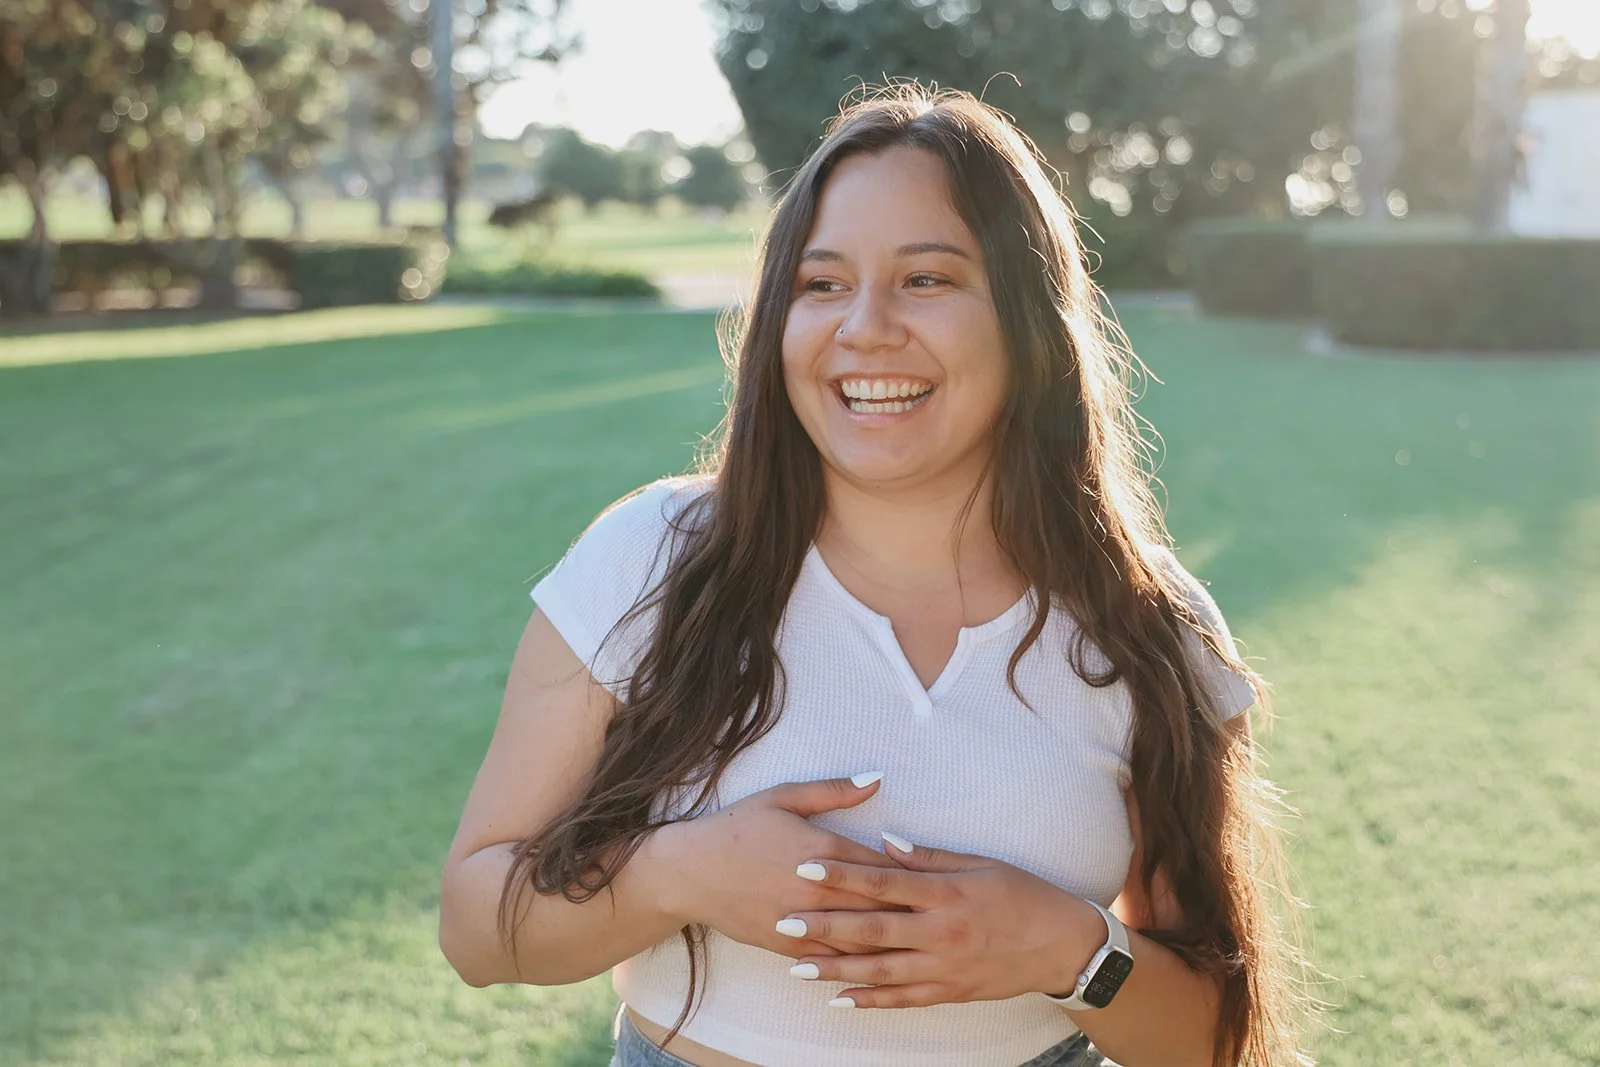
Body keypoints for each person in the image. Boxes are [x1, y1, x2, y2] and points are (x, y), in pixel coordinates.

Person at [439, 86, 1312, 1067]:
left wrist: (1065, 946)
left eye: (926, 279)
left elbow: (1213, 1038)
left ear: (1027, 323)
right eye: (820, 284)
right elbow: (477, 927)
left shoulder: (1152, 626)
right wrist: (672, 875)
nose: (864, 326)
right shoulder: (648, 558)